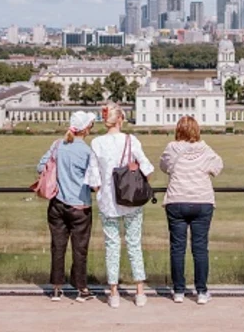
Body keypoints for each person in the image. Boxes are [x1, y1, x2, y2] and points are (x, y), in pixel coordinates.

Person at [86, 105, 154, 308]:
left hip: (108, 201)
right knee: (134, 244)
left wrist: (103, 190)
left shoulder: (97, 143)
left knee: (112, 246)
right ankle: (139, 290)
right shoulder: (131, 140)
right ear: (120, 120)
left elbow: (94, 178)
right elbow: (147, 168)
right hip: (131, 201)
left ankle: (114, 291)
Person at [160, 116, 223, 305]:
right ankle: (201, 291)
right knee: (200, 248)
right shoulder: (205, 149)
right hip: (202, 200)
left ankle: (179, 290)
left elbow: (164, 167)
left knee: (177, 248)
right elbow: (218, 167)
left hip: (177, 200)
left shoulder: (172, 148)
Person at [38, 110, 98, 303]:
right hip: (80, 205)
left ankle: (56, 288)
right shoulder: (87, 151)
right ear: (87, 128)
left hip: (57, 204)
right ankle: (81, 288)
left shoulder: (57, 145)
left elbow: (41, 167)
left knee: (58, 246)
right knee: (80, 249)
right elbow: (94, 180)